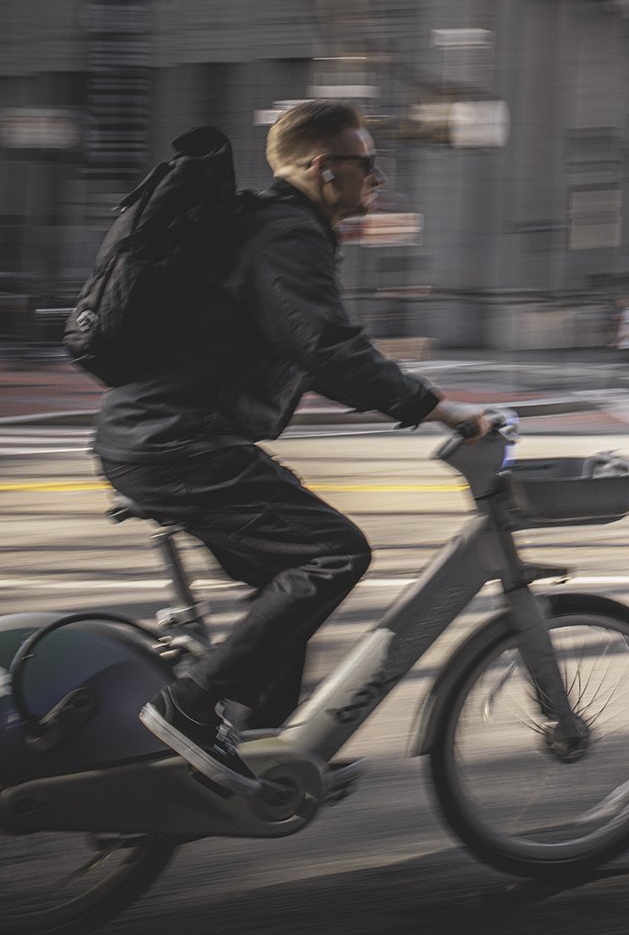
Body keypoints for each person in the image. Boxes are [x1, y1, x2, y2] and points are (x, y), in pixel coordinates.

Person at [93, 100, 487, 794]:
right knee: (333, 554)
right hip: (177, 442)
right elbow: (327, 349)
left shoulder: (270, 228)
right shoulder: (283, 234)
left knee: (286, 583)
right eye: (367, 165)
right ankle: (189, 709)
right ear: (323, 167)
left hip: (168, 437)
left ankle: (267, 747)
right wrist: (438, 407)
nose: (379, 180)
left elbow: (314, 347)